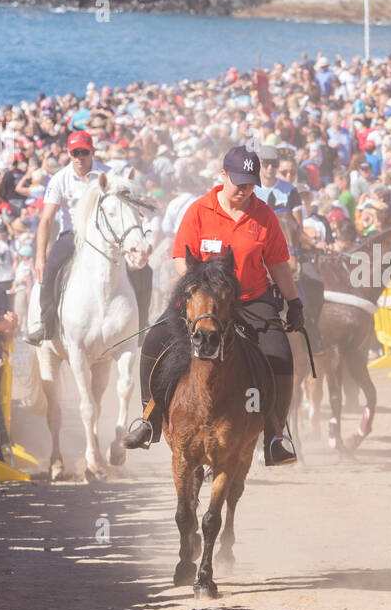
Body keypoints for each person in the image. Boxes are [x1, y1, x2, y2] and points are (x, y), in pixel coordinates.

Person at [122, 146, 302, 467]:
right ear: (223, 176)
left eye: (250, 183)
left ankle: (275, 434)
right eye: (238, 182)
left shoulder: (264, 216)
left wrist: (294, 301)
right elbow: (181, 258)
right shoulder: (199, 211)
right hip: (201, 301)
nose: (244, 189)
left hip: (251, 300)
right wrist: (200, 289)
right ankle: (149, 418)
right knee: (153, 341)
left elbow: (278, 265)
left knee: (281, 354)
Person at [26, 130, 109, 344]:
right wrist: (40, 257)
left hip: (104, 235)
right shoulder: (60, 179)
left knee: (140, 269)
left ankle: (140, 321)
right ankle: (46, 325)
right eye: (75, 153)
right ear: (69, 154)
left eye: (83, 152)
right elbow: (46, 220)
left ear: (92, 152)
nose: (79, 158)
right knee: (50, 271)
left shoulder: (107, 174)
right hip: (72, 234)